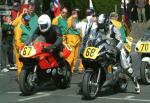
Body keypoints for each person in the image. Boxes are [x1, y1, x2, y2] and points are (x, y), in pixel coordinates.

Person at [106, 12, 140, 93]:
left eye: (113, 17)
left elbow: (123, 39)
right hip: (110, 47)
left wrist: (117, 48)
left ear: (116, 18)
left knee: (126, 68)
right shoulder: (107, 25)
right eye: (111, 17)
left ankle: (136, 84)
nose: (112, 18)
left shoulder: (119, 26)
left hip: (120, 48)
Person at [66, 9, 84, 73]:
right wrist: (64, 39)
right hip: (71, 38)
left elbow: (80, 30)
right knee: (71, 55)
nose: (77, 14)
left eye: (78, 13)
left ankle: (78, 68)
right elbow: (66, 29)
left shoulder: (78, 20)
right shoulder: (70, 19)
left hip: (77, 38)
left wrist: (81, 37)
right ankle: (67, 69)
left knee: (76, 56)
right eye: (76, 12)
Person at [14, 13, 31, 79]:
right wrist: (20, 48)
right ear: (22, 19)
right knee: (20, 65)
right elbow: (17, 40)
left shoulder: (28, 26)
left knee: (28, 64)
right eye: (26, 20)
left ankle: (27, 79)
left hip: (28, 48)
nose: (27, 21)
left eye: (28, 20)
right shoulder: (19, 27)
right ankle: (20, 80)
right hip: (21, 48)